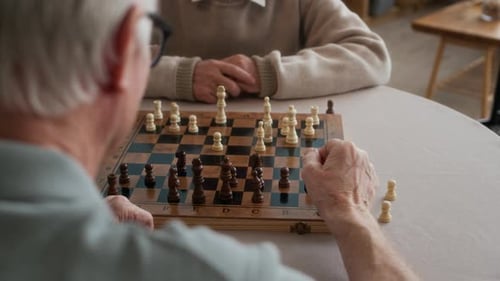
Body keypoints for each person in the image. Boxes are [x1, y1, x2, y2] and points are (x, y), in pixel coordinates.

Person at [0, 0, 417, 280]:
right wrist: (348, 211)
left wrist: (266, 72)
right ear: (129, 49)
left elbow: (370, 53)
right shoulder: (205, 269)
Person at [146, 0, 392, 103]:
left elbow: (371, 55)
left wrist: (268, 73)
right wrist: (181, 76)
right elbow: (107, 64)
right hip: (170, 142)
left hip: (280, 142)